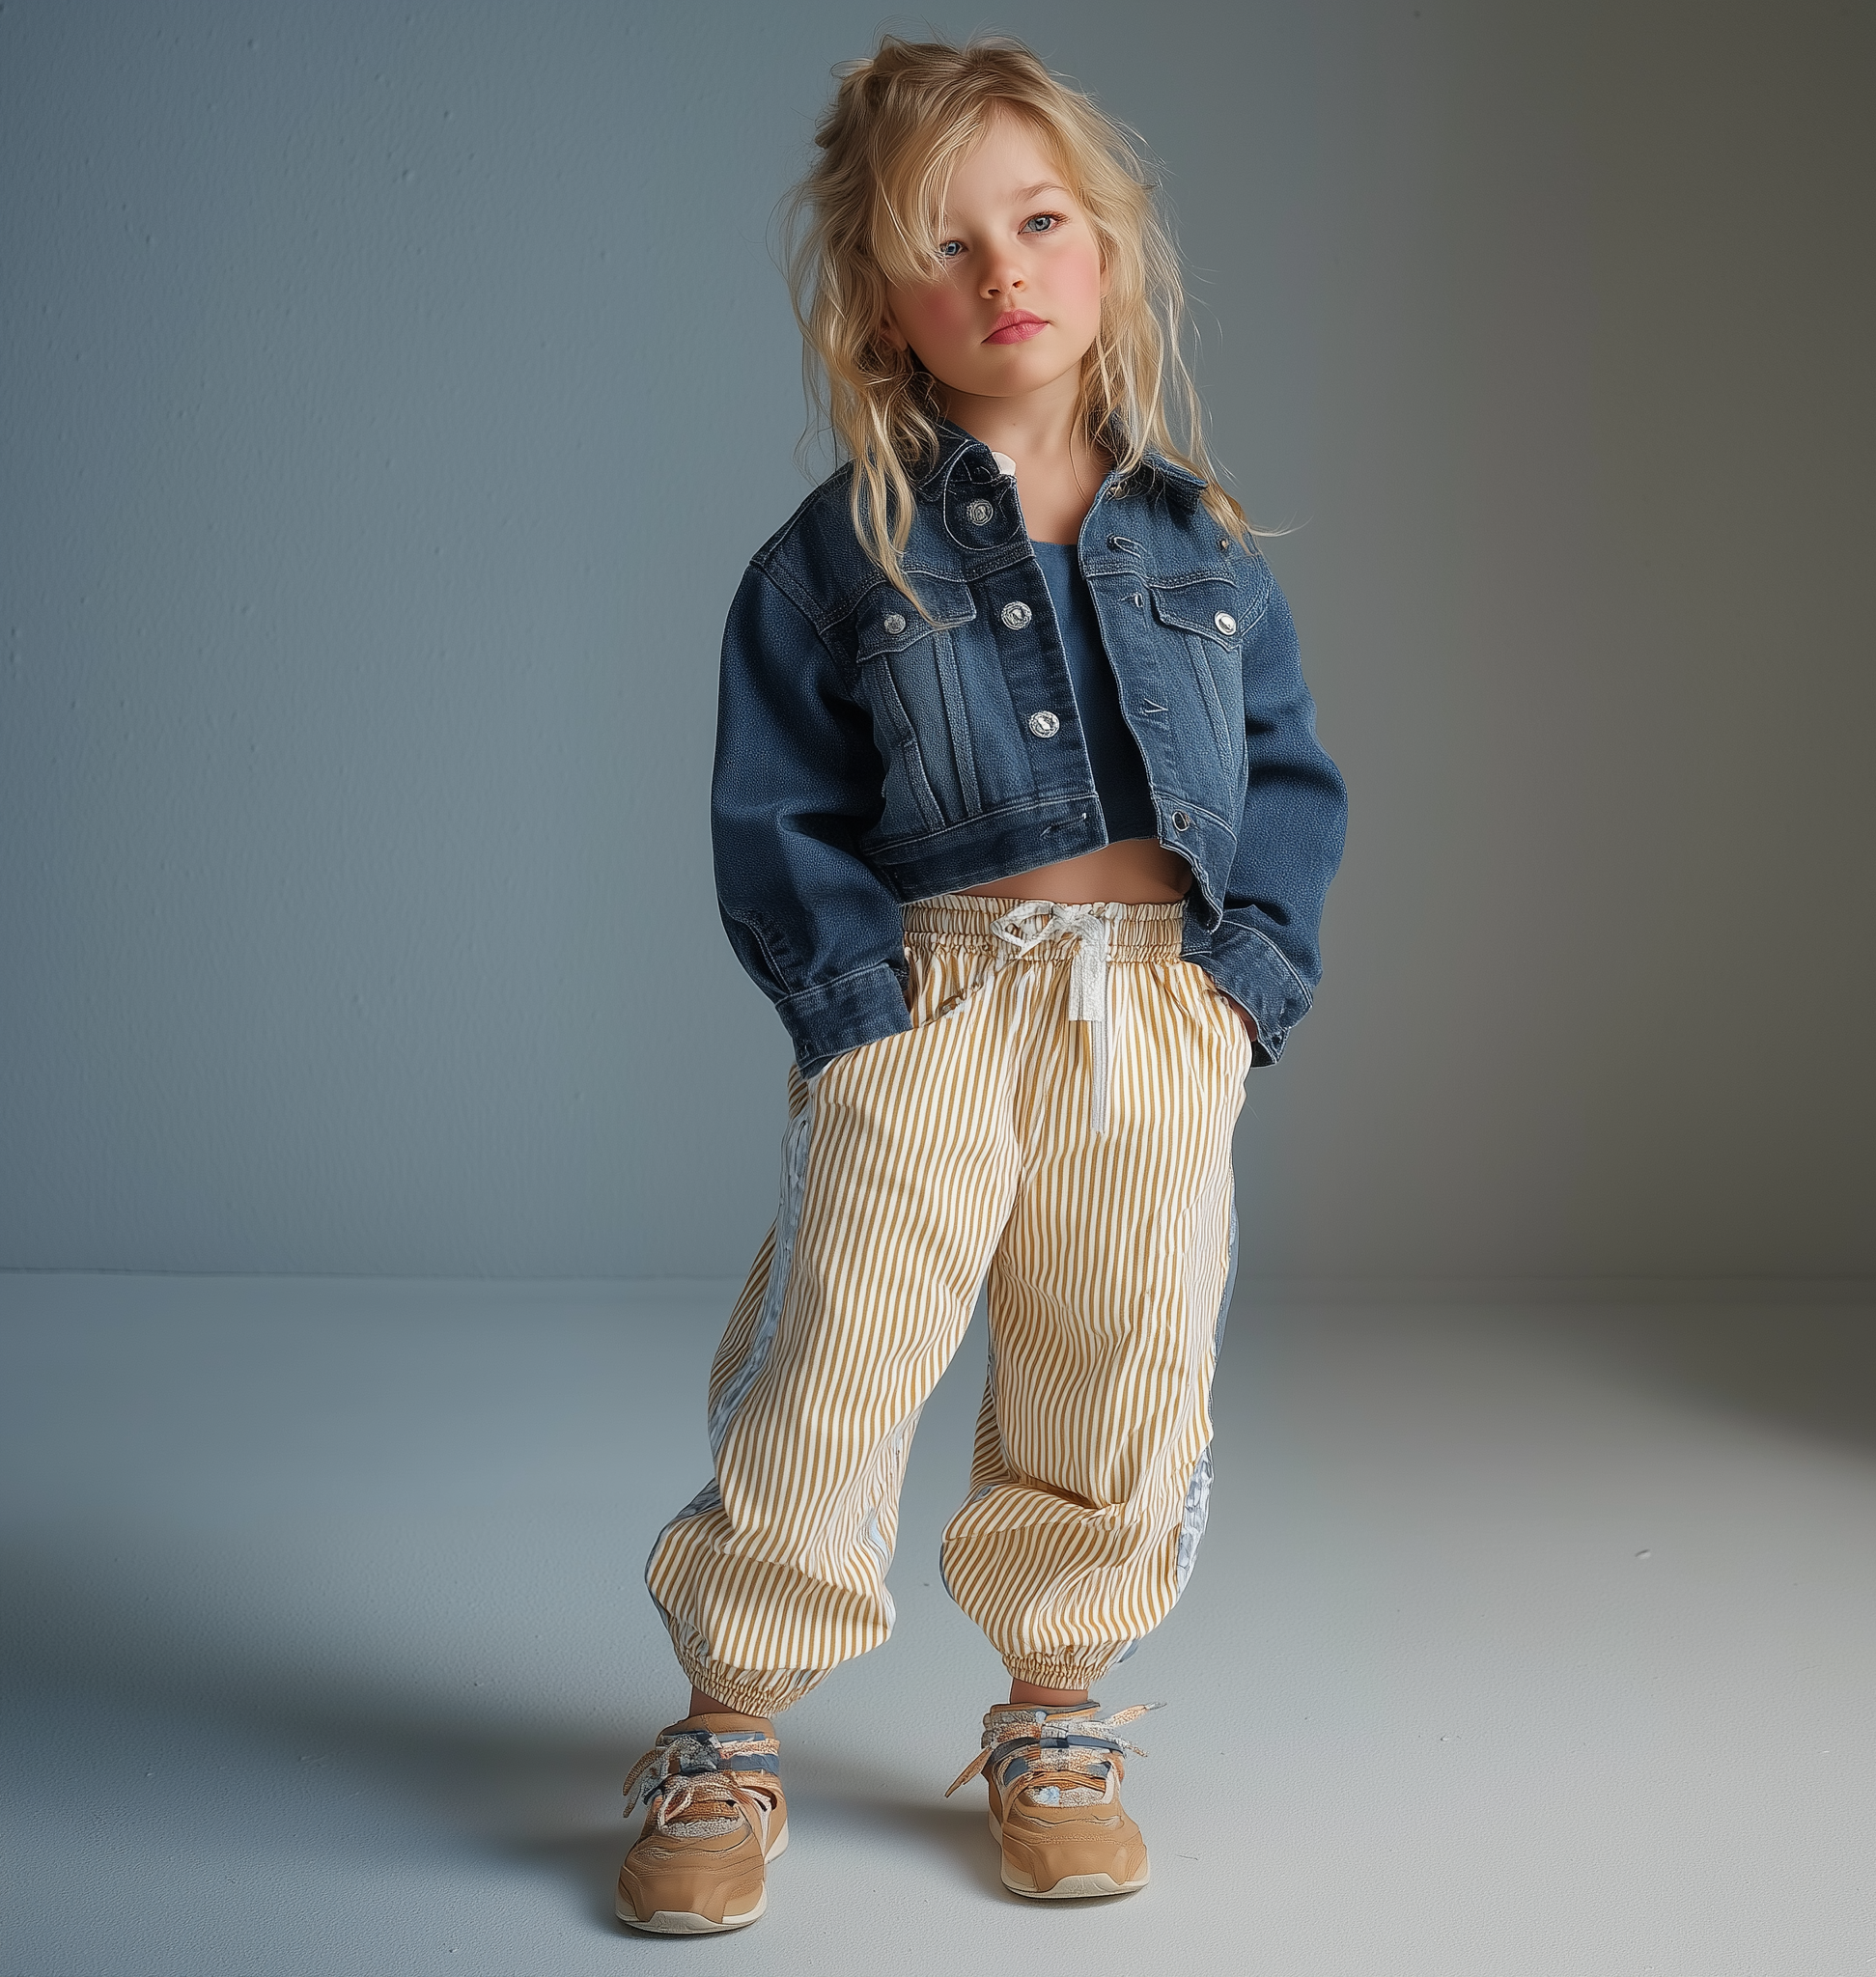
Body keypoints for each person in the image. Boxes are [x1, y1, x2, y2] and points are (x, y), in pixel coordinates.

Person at [616, 34, 1346, 1934]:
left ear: (1106, 248)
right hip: (930, 999)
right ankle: (726, 1722)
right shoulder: (837, 558)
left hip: (1150, 1014)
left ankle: (1056, 1715)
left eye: (1036, 224)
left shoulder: (1203, 548)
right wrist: (857, 1021)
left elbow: (1285, 779)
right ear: (881, 307)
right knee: (837, 1356)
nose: (1000, 270)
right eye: (942, 246)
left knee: (1123, 1355)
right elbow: (775, 805)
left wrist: (1240, 988)